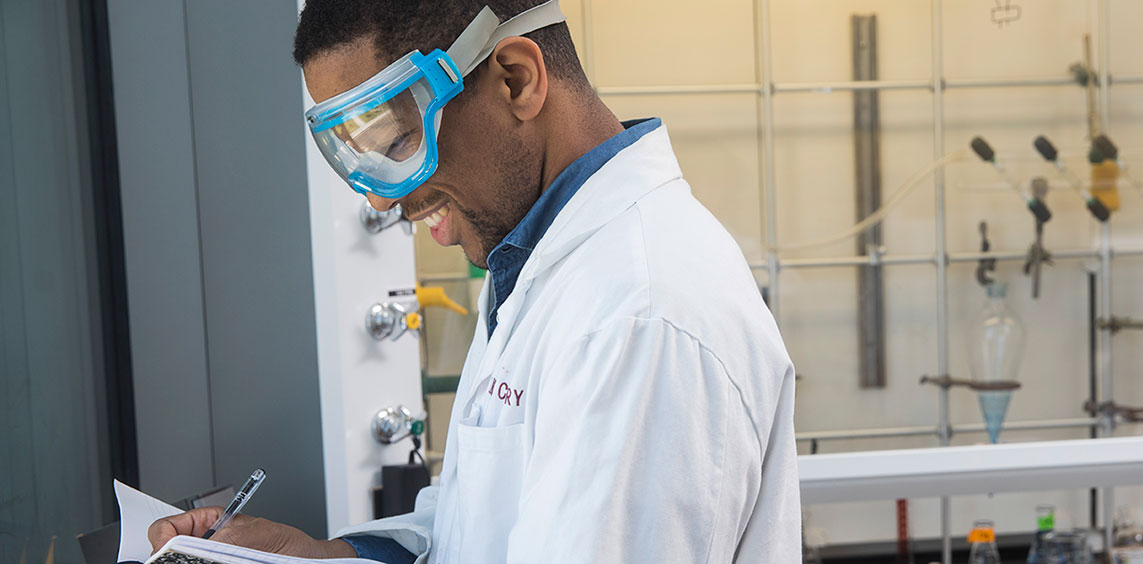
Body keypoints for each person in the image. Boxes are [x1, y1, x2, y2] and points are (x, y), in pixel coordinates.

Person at [147, 0, 800, 562]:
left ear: (516, 79)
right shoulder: (538, 263)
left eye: (397, 141)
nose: (381, 201)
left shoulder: (639, 316)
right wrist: (333, 557)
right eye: (356, 155)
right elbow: (477, 528)